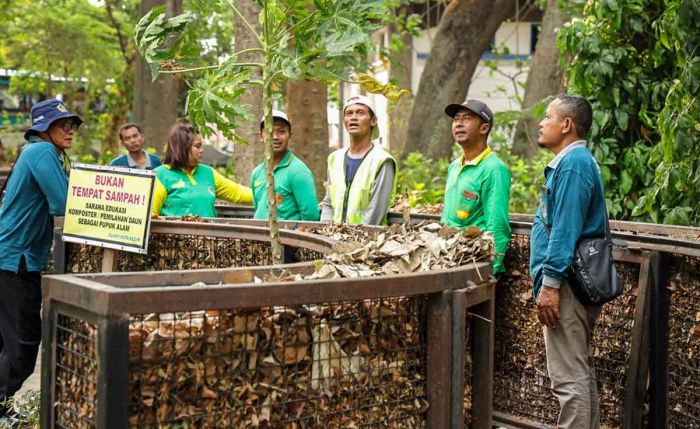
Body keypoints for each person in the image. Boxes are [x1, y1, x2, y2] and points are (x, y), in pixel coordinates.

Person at [0, 99, 81, 423]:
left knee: (6, 343)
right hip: (17, 260)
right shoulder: (41, 152)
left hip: (10, 258)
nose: (70, 131)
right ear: (46, 127)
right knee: (23, 344)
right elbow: (63, 202)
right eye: (64, 125)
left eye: (72, 125)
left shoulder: (36, 153)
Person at [530, 94, 606, 428]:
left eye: (547, 116)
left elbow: (565, 229)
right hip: (569, 284)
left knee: (568, 378)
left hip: (567, 287)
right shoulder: (573, 162)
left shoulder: (574, 164)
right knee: (578, 372)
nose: (541, 123)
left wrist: (549, 285)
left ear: (566, 124)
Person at [441, 99, 511, 275]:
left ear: (484, 128)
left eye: (466, 118)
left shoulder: (494, 169)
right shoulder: (455, 166)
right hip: (449, 259)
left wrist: (488, 275)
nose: (458, 124)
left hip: (474, 264)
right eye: (456, 119)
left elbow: (498, 226)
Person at [320, 95, 397, 225]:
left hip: (368, 241)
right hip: (334, 239)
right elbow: (328, 203)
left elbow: (376, 212)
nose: (353, 117)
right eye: (349, 113)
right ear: (344, 120)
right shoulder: (335, 158)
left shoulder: (382, 161)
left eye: (360, 113)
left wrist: (354, 239)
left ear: (373, 121)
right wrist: (326, 232)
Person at [151, 121, 252, 217]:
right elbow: (150, 215)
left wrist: (264, 194)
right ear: (182, 147)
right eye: (197, 146)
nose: (202, 150)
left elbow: (237, 193)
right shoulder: (160, 175)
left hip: (209, 234)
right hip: (173, 235)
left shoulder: (208, 173)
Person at [251, 110, 319, 221]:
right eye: (269, 131)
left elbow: (310, 216)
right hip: (258, 237)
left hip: (286, 237)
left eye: (281, 131)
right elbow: (258, 208)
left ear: (290, 135)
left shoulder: (298, 172)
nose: (275, 137)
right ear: (261, 136)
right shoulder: (257, 173)